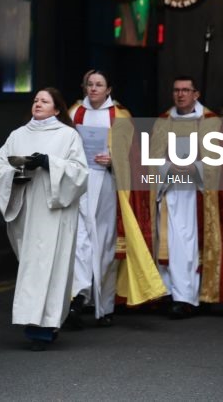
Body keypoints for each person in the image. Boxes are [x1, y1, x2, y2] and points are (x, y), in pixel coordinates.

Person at [149, 76, 223, 318]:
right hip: (170, 191)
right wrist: (168, 167)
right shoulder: (163, 121)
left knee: (188, 246)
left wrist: (195, 167)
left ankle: (187, 298)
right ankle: (174, 295)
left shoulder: (211, 122)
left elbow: (220, 162)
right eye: (176, 90)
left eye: (185, 90)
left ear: (196, 94)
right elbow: (152, 160)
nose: (180, 94)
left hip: (198, 196)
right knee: (171, 245)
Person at [66, 70, 166, 328]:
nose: (93, 88)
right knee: (78, 243)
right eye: (89, 84)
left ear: (109, 89)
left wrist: (113, 161)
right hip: (79, 183)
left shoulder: (120, 116)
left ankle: (105, 306)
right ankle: (78, 298)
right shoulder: (74, 112)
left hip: (108, 184)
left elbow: (134, 156)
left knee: (105, 245)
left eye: (99, 85)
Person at [0, 87, 88, 351]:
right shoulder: (18, 135)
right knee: (33, 268)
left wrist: (48, 163)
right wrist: (16, 173)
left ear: (57, 108)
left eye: (45, 101)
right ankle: (39, 323)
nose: (38, 104)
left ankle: (42, 329)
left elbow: (80, 173)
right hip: (28, 210)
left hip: (55, 212)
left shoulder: (68, 135)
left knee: (50, 267)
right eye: (36, 100)